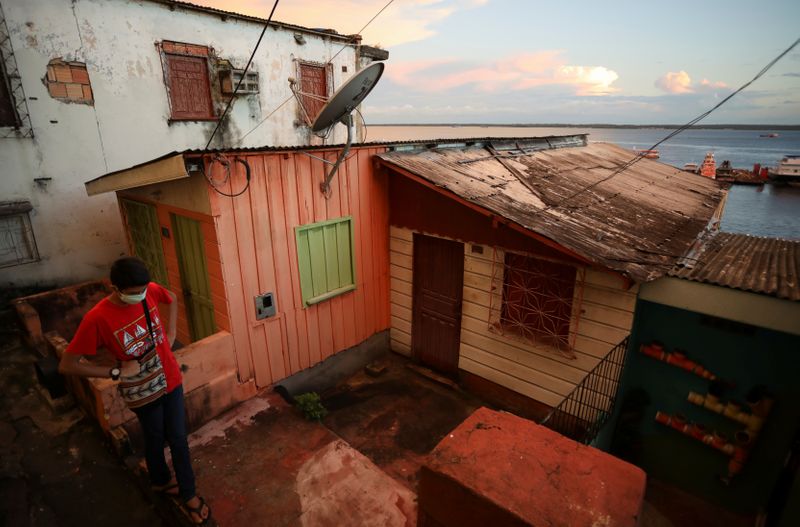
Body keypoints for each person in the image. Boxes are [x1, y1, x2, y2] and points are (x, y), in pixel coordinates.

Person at [59, 256, 211, 525]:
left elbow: (172, 298)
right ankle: (160, 481)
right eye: (133, 293)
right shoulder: (98, 317)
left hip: (170, 378)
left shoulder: (149, 289)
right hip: (141, 391)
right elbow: (68, 364)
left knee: (177, 439)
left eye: (142, 290)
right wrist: (115, 372)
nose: (141, 295)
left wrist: (172, 333)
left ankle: (188, 494)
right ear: (114, 287)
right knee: (153, 438)